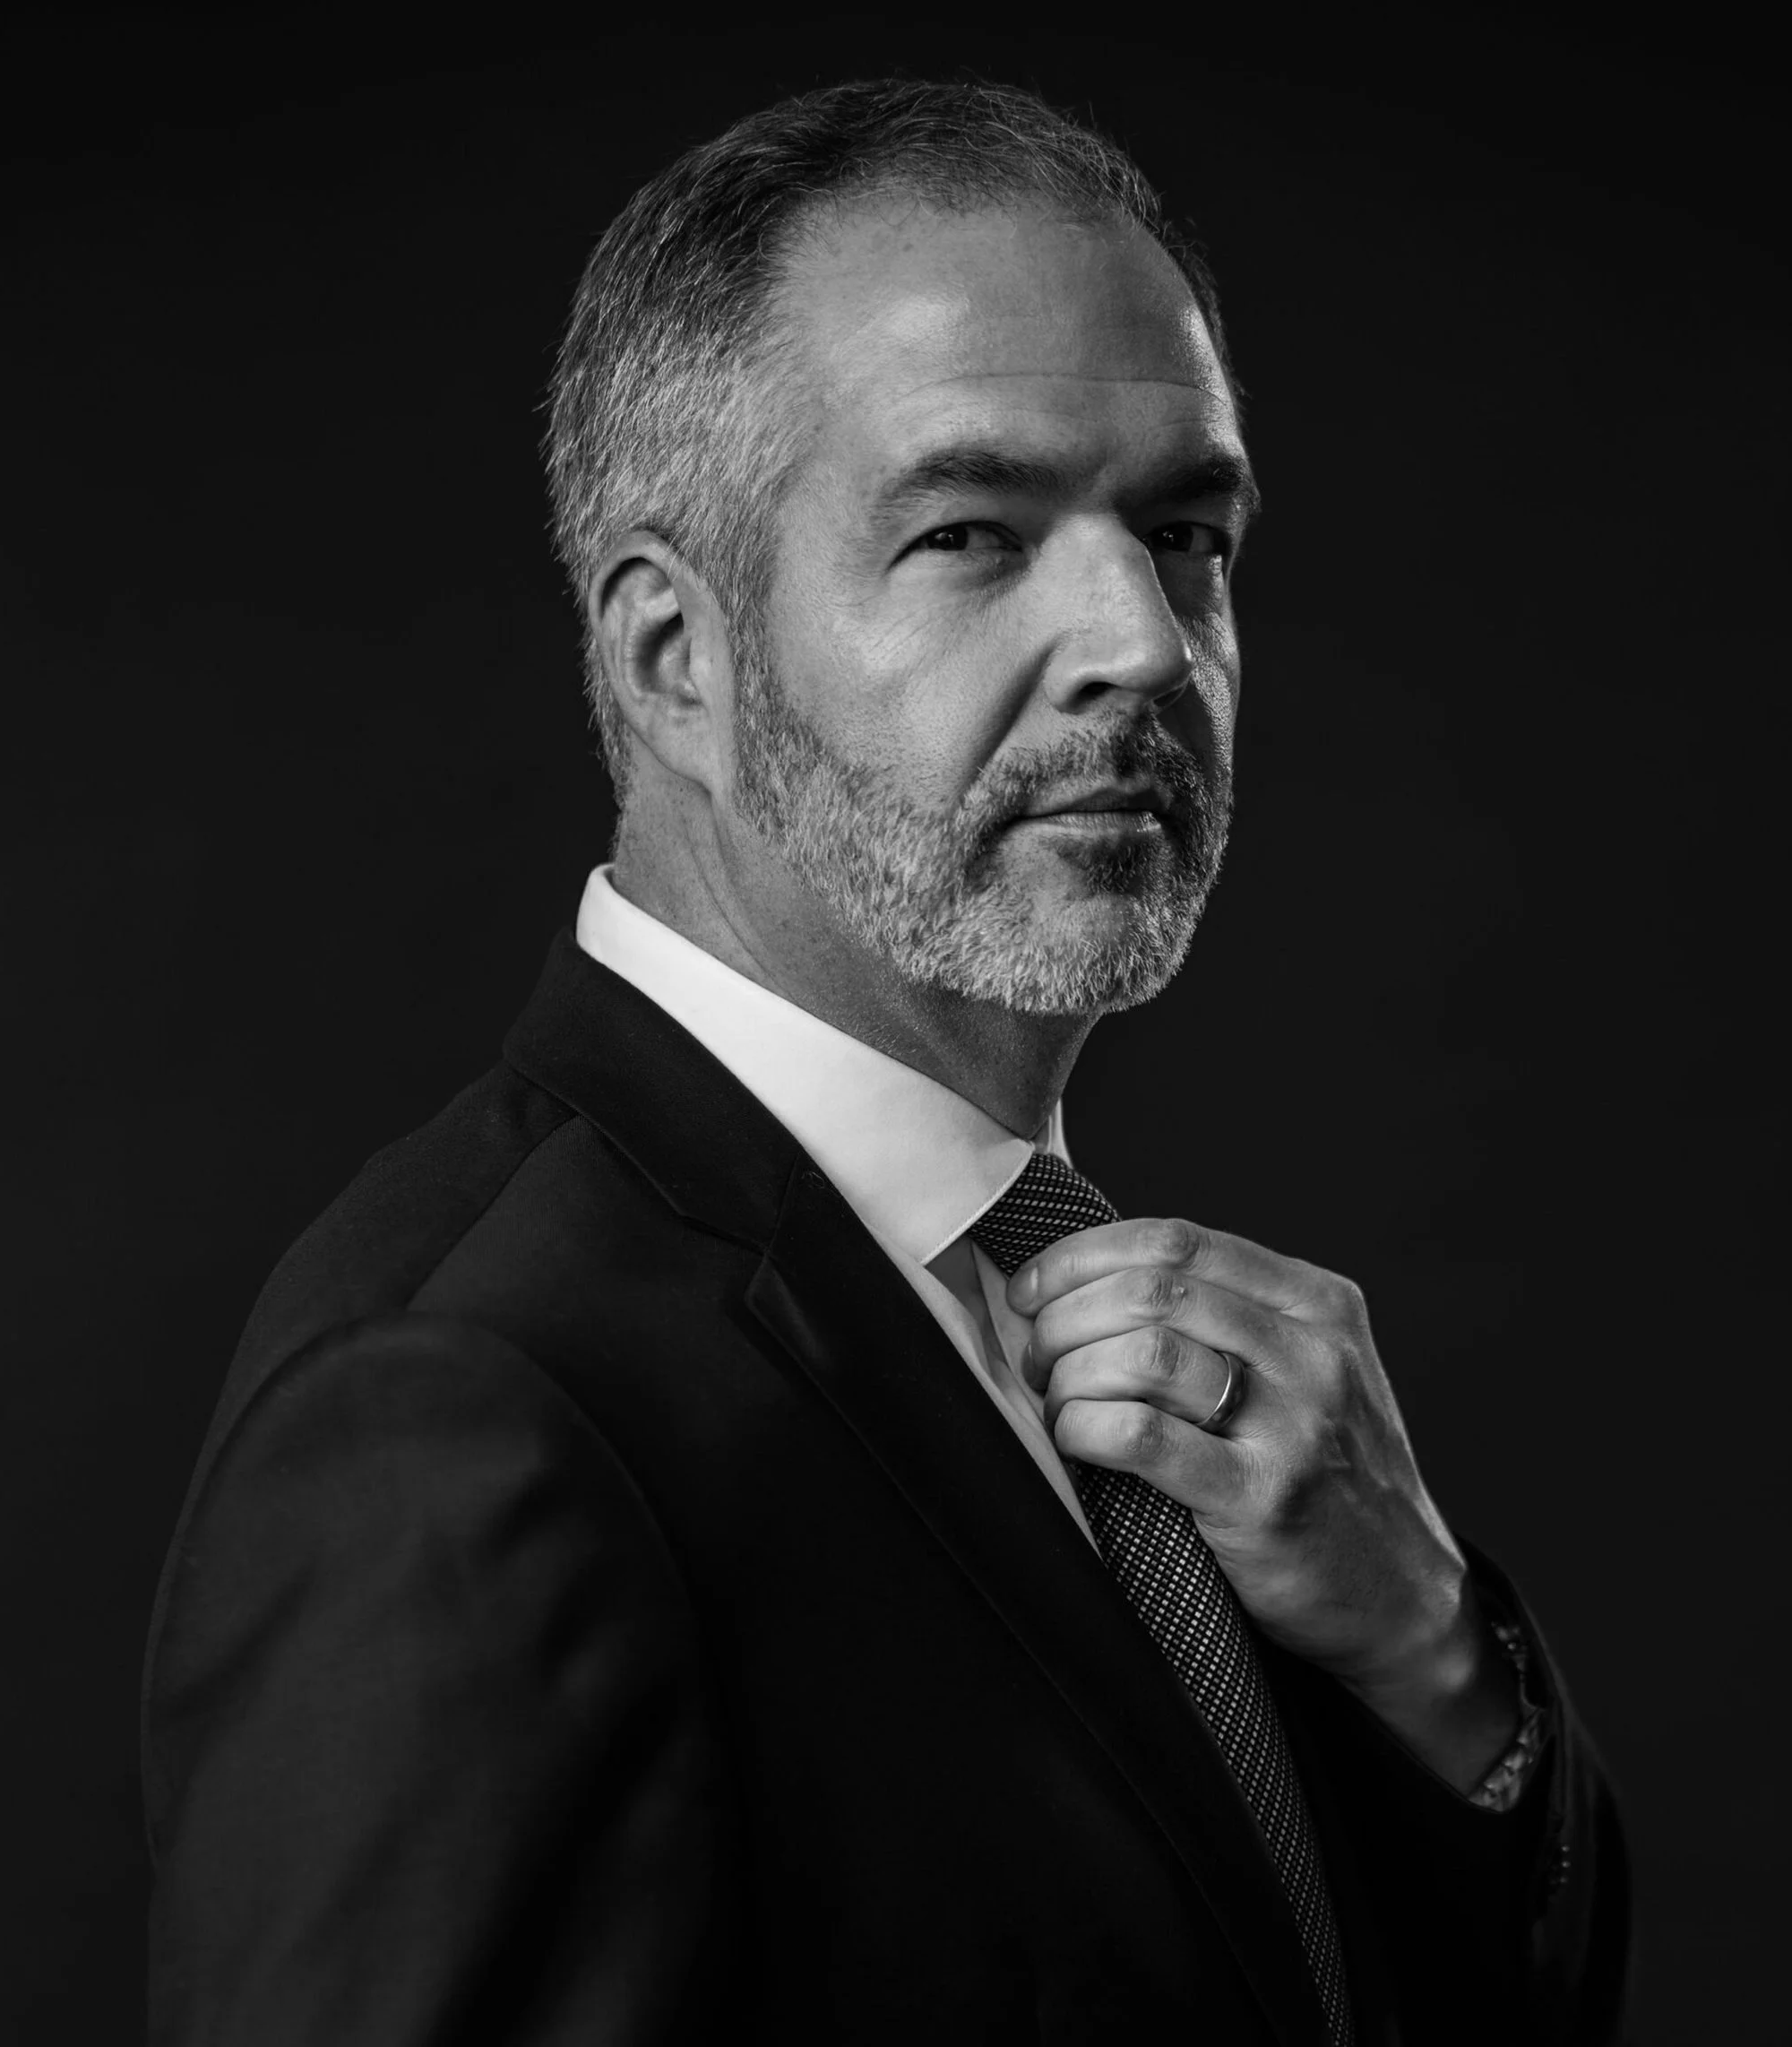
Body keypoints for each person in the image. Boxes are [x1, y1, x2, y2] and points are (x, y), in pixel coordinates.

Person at [142, 77, 1628, 2045]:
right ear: (675, 658)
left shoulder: (1094, 1326)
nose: (1143, 643)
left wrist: (1432, 1659)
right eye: (969, 533)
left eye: (1185, 533)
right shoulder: (466, 1414)